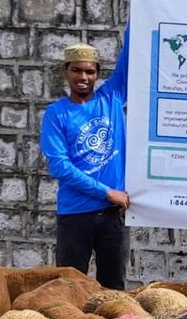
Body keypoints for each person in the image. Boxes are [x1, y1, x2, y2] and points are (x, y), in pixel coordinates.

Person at [40, 28, 131, 290]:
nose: (83, 77)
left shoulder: (111, 97)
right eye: (76, 70)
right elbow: (61, 167)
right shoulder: (56, 114)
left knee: (113, 288)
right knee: (68, 287)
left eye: (90, 72)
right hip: (75, 214)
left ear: (97, 74)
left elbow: (130, 53)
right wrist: (107, 192)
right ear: (65, 72)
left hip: (113, 215)